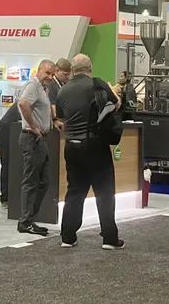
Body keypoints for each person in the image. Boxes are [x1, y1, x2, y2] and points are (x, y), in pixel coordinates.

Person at [55, 54, 123, 250]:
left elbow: (61, 116)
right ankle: (109, 238)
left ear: (73, 69)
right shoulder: (97, 84)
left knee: (75, 192)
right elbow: (116, 104)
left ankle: (67, 236)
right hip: (95, 145)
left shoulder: (63, 90)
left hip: (71, 146)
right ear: (89, 68)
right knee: (104, 192)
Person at [16, 59, 55, 236]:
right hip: (32, 138)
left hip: (40, 140)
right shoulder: (33, 85)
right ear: (39, 70)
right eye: (47, 73)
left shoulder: (43, 89)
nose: (50, 77)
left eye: (52, 74)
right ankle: (25, 222)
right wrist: (33, 126)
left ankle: (30, 219)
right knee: (31, 182)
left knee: (44, 181)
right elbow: (23, 103)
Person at [0, 102, 20, 209]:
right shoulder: (31, 93)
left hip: (12, 131)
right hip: (6, 132)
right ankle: (5, 198)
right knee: (7, 164)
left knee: (10, 165)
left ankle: (10, 197)